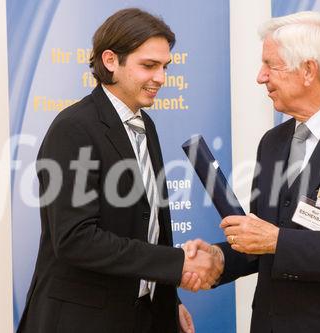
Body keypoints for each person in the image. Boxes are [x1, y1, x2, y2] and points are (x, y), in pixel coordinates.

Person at [184, 11, 320, 333]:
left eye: (271, 65)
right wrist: (219, 258)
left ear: (308, 70)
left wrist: (276, 240)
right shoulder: (273, 143)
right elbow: (264, 243)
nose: (260, 77)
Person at [17, 8, 222, 333]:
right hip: (83, 321)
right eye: (149, 65)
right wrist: (177, 263)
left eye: (165, 67)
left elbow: (150, 226)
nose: (161, 78)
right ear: (110, 60)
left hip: (143, 315)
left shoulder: (145, 124)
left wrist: (169, 302)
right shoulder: (74, 129)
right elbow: (75, 239)